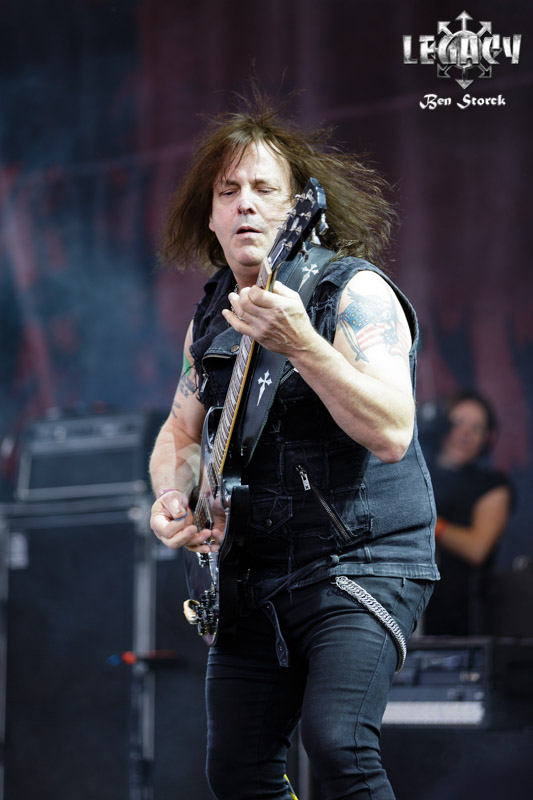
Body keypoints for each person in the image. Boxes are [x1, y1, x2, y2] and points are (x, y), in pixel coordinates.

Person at [149, 93, 438, 800]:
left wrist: (302, 344)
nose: (244, 204)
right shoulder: (211, 319)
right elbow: (179, 433)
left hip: (360, 559)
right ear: (209, 216)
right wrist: (173, 494)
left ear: (299, 208)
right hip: (252, 572)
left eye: (263, 189)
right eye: (227, 191)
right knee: (236, 771)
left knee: (338, 743)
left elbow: (392, 431)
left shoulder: (352, 292)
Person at [422, 390, 514, 637]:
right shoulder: (417, 472)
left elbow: (477, 548)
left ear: (488, 437)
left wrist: (428, 523)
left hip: (461, 618)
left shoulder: (492, 485)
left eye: (476, 427)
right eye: (458, 422)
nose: (465, 433)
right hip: (410, 607)